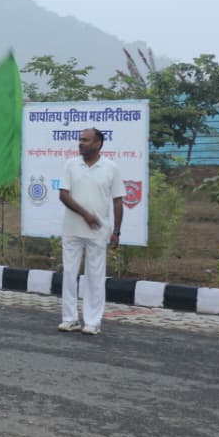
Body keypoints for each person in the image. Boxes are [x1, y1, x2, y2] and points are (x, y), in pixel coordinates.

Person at [58, 128, 125, 336]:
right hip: (72, 229)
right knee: (69, 275)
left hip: (98, 231)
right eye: (80, 140)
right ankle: (69, 319)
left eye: (85, 140)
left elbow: (118, 201)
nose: (80, 143)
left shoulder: (111, 168)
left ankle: (92, 321)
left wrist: (117, 232)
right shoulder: (71, 165)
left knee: (95, 277)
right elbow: (63, 195)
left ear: (98, 144)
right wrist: (85, 214)